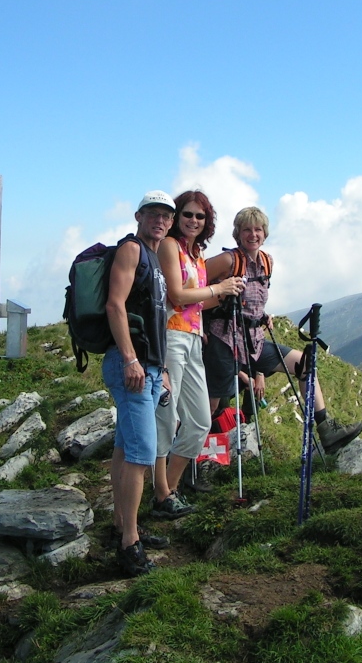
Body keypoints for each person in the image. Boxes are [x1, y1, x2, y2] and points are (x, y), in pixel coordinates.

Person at [203, 206, 362, 454]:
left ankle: (326, 430)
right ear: (237, 234)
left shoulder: (267, 262)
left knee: (304, 364)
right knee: (212, 404)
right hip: (224, 341)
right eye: (246, 229)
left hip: (254, 343)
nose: (253, 234)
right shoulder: (228, 261)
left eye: (258, 229)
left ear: (265, 233)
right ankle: (191, 457)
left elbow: (254, 300)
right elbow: (193, 283)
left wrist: (262, 316)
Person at [153, 191, 245, 518]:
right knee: (166, 418)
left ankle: (168, 489)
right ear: (177, 216)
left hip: (193, 337)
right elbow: (177, 294)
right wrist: (218, 289)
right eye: (188, 214)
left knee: (200, 421)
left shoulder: (196, 254)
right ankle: (163, 495)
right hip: (170, 337)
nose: (194, 221)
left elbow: (197, 302)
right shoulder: (169, 246)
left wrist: (227, 295)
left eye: (200, 217)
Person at [104, 190, 176, 576]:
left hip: (149, 367)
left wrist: (159, 367)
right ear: (138, 216)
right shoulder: (131, 250)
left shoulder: (156, 259)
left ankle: (122, 525)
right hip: (130, 366)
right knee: (142, 454)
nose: (160, 221)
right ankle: (129, 544)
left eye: (166, 216)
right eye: (153, 214)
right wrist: (131, 358)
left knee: (124, 446)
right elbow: (115, 305)